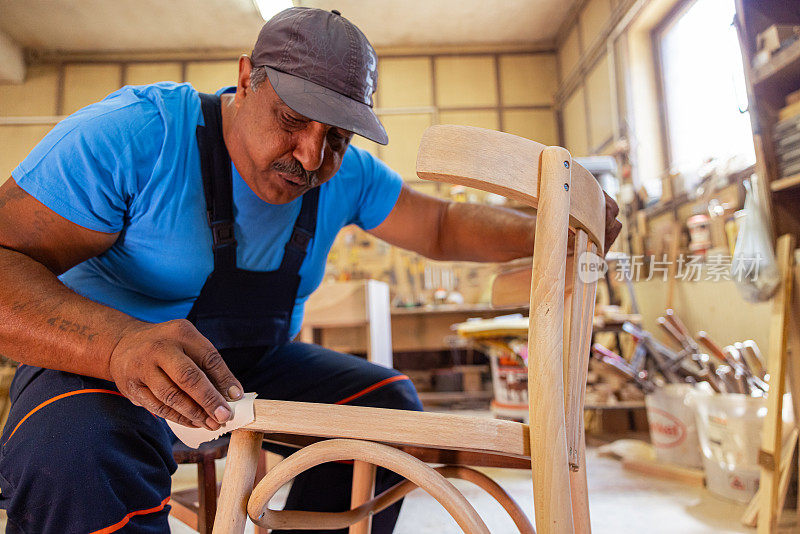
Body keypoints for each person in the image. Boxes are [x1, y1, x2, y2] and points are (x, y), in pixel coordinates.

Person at [0, 7, 621, 534]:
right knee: (74, 450)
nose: (312, 156)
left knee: (387, 409)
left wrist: (555, 227)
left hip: (246, 367)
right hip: (104, 356)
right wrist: (117, 344)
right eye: (293, 119)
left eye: (339, 136)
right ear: (246, 80)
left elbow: (439, 227)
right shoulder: (136, 137)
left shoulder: (340, 175)